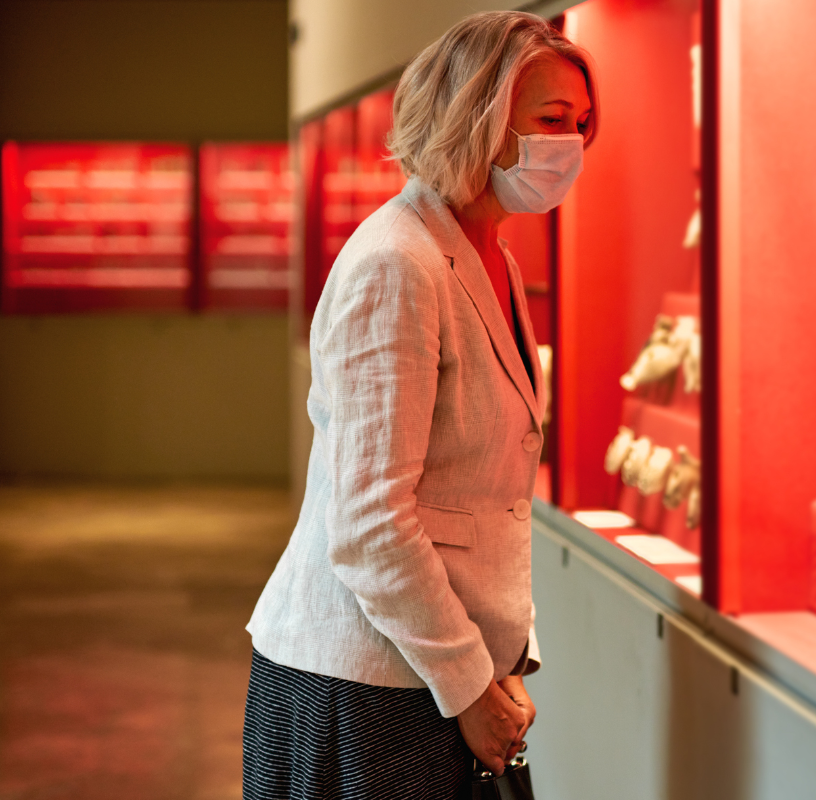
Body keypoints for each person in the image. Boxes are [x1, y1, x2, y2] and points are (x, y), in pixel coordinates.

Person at [242, 11, 597, 798]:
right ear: (480, 112)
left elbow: (477, 503)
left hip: (434, 671)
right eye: (550, 121)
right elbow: (371, 519)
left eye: (580, 124)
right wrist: (471, 684)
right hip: (363, 688)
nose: (570, 144)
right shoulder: (397, 263)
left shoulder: (485, 253)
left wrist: (496, 664)